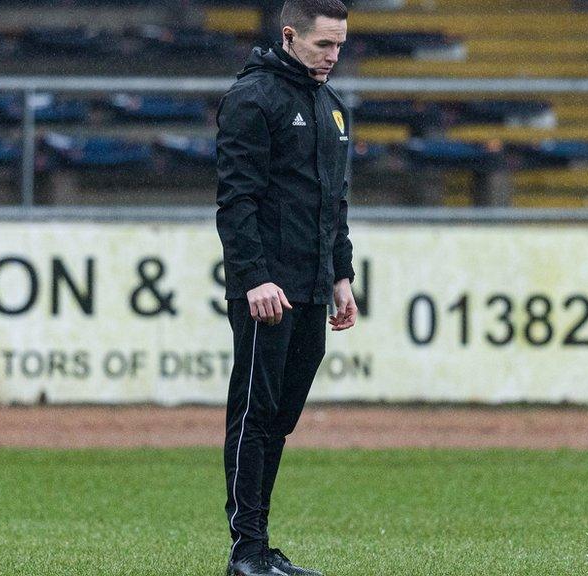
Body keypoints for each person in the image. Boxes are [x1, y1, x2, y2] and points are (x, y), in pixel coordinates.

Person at [215, 1, 356, 575]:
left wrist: (341, 276)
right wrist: (254, 278)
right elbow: (236, 201)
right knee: (254, 413)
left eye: (341, 45)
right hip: (267, 292)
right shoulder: (252, 99)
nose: (333, 56)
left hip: (314, 289)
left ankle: (259, 545)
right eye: (324, 45)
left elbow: (335, 204)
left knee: (279, 419)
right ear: (291, 35)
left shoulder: (332, 106)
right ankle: (245, 551)